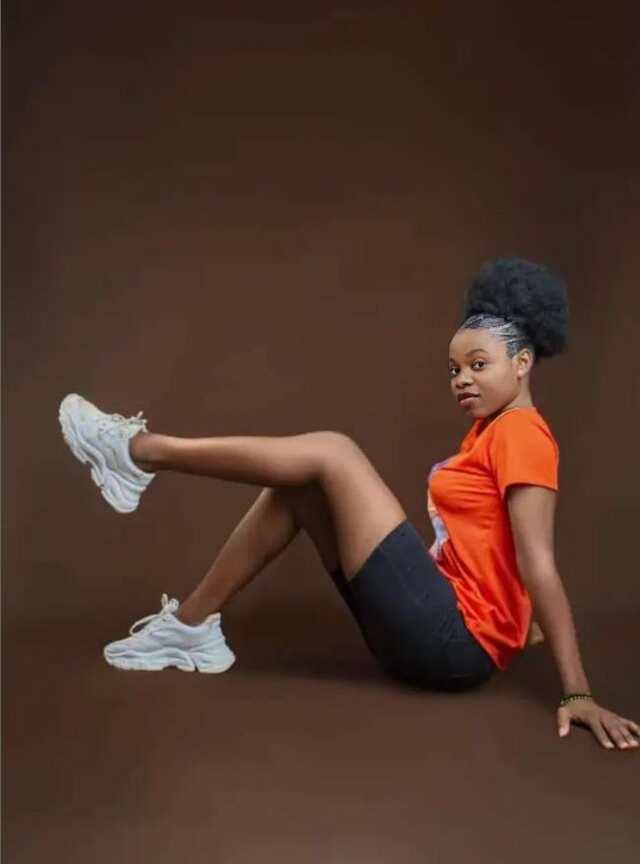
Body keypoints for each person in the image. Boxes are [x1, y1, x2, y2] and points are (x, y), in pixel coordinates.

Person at [58, 255, 639, 752]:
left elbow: (538, 561)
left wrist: (577, 691)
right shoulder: (492, 432)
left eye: (478, 365)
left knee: (334, 453)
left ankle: (142, 451)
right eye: (455, 369)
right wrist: (520, 628)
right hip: (436, 638)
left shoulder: (523, 435)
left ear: (522, 363)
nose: (462, 379)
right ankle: (190, 627)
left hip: (449, 646)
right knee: (299, 490)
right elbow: (499, 549)